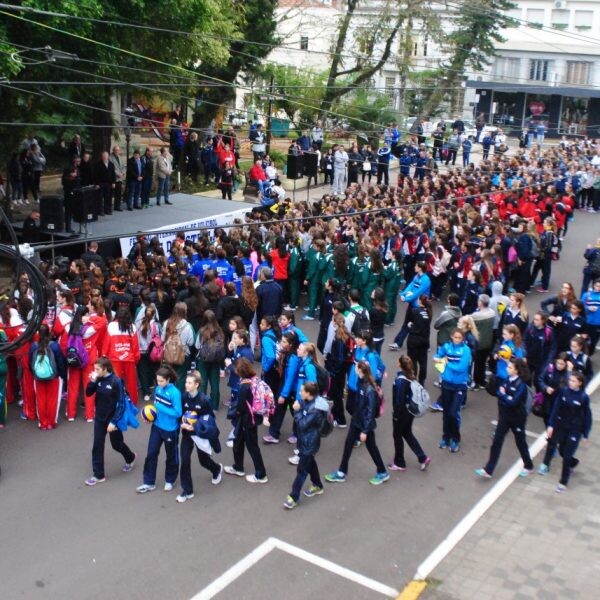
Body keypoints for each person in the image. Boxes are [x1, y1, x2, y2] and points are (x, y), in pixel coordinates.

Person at [325, 361, 389, 485]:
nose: (354, 368)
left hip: (364, 424)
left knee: (372, 448)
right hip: (357, 420)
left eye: (356, 366)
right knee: (348, 444)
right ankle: (342, 472)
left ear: (360, 370)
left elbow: (369, 411)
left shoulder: (368, 389)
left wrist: (365, 431)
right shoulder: (362, 382)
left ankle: (382, 472)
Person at [475, 358, 534, 479]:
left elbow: (513, 402)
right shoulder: (507, 380)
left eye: (510, 368)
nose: (507, 369)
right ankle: (488, 469)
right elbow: (499, 393)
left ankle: (528, 465)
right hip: (504, 416)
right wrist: (505, 396)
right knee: (496, 441)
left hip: (517, 418)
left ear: (517, 371)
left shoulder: (521, 386)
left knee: (520, 442)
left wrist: (503, 395)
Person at [84, 357, 137, 486]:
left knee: (117, 445)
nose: (94, 371)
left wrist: (113, 422)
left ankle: (131, 457)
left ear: (105, 369)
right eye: (94, 368)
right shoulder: (98, 378)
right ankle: (98, 475)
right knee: (97, 445)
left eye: (97, 369)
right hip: (100, 419)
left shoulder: (116, 381)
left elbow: (122, 404)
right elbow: (88, 393)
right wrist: (92, 381)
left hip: (113, 421)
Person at [538, 371, 592, 493]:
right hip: (561, 426)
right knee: (562, 450)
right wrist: (551, 425)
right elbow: (556, 408)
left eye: (573, 381)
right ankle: (573, 462)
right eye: (570, 380)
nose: (570, 383)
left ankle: (563, 482)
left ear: (580, 383)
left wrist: (585, 434)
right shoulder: (564, 392)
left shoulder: (583, 398)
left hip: (575, 430)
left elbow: (587, 416)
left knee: (566, 456)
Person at [176, 370, 223, 503]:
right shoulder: (184, 397)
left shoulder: (204, 400)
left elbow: (210, 419)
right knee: (184, 460)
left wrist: (195, 425)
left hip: (200, 434)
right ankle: (187, 490)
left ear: (197, 385)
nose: (186, 384)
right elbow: (180, 415)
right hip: (187, 434)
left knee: (203, 461)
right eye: (186, 382)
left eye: (189, 382)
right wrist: (183, 424)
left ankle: (216, 469)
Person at [136, 366, 182, 493]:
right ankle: (149, 482)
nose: (159, 383)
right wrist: (150, 418)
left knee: (171, 456)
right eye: (157, 380)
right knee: (151, 454)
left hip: (170, 429)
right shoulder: (157, 389)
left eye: (161, 381)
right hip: (156, 427)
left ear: (168, 380)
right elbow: (155, 410)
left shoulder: (175, 393)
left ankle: (170, 480)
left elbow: (178, 413)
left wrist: (159, 407)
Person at [283, 381, 327, 509]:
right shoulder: (306, 401)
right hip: (304, 440)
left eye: (302, 391)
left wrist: (296, 412)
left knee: (302, 470)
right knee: (310, 462)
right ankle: (318, 485)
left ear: (308, 394)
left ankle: (294, 496)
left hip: (310, 442)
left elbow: (302, 425)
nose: (299, 392)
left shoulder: (315, 410)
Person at [224, 358, 268, 483]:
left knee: (252, 447)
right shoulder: (254, 380)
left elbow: (241, 406)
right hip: (252, 417)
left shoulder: (244, 386)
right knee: (238, 442)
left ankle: (261, 474)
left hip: (247, 420)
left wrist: (235, 414)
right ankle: (238, 467)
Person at [389, 356, 431, 472]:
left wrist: (396, 415)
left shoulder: (401, 380)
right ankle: (422, 457)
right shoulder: (410, 376)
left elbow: (399, 400)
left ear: (400, 364)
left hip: (402, 413)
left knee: (397, 436)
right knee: (407, 433)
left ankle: (400, 462)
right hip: (410, 411)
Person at [434, 328, 472, 452]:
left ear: (463, 339)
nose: (457, 340)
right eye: (455, 337)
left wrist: (446, 363)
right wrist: (439, 361)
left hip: (459, 385)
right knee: (446, 413)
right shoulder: (446, 347)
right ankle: (446, 437)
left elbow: (461, 367)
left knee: (453, 413)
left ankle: (455, 439)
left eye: (459, 338)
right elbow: (437, 356)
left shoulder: (466, 350)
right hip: (446, 383)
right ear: (451, 337)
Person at [28, 323, 66, 430]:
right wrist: (62, 375)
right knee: (53, 400)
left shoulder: (34, 346)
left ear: (38, 334)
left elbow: (30, 362)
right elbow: (60, 362)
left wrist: (34, 374)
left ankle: (42, 423)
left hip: (38, 377)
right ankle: (51, 423)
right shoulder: (54, 345)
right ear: (49, 333)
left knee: (40, 399)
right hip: (54, 377)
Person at [102, 307, 141, 405]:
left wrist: (104, 356)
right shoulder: (132, 327)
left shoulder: (111, 326)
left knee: (115, 382)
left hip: (115, 359)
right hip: (129, 358)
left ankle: (116, 403)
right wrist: (136, 359)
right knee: (132, 383)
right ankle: (133, 402)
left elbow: (106, 343)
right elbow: (135, 346)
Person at [406, 295, 432, 386]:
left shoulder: (415, 311)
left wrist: (410, 325)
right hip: (424, 340)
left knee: (412, 361)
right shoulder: (429, 313)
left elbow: (409, 322)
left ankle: (413, 379)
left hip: (414, 339)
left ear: (420, 301)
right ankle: (422, 381)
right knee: (423, 361)